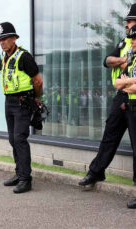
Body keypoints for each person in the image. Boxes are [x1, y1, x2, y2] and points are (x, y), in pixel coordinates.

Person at [79, 4, 136, 187]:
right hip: (122, 97)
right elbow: (107, 61)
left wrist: (126, 80)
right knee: (110, 134)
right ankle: (96, 172)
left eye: (130, 21)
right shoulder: (125, 43)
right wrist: (122, 60)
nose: (127, 25)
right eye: (127, 21)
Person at [0, 22, 43, 193]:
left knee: (19, 139)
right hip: (9, 101)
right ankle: (19, 173)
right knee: (12, 138)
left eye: (5, 38)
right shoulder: (2, 57)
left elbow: (38, 81)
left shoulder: (24, 57)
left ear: (14, 38)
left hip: (23, 101)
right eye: (0, 39)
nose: (2, 42)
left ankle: (26, 179)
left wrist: (37, 98)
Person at [114, 24, 136, 209]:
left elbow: (126, 84)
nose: (134, 41)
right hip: (131, 107)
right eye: (133, 38)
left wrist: (127, 82)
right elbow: (117, 83)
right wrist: (131, 81)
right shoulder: (132, 59)